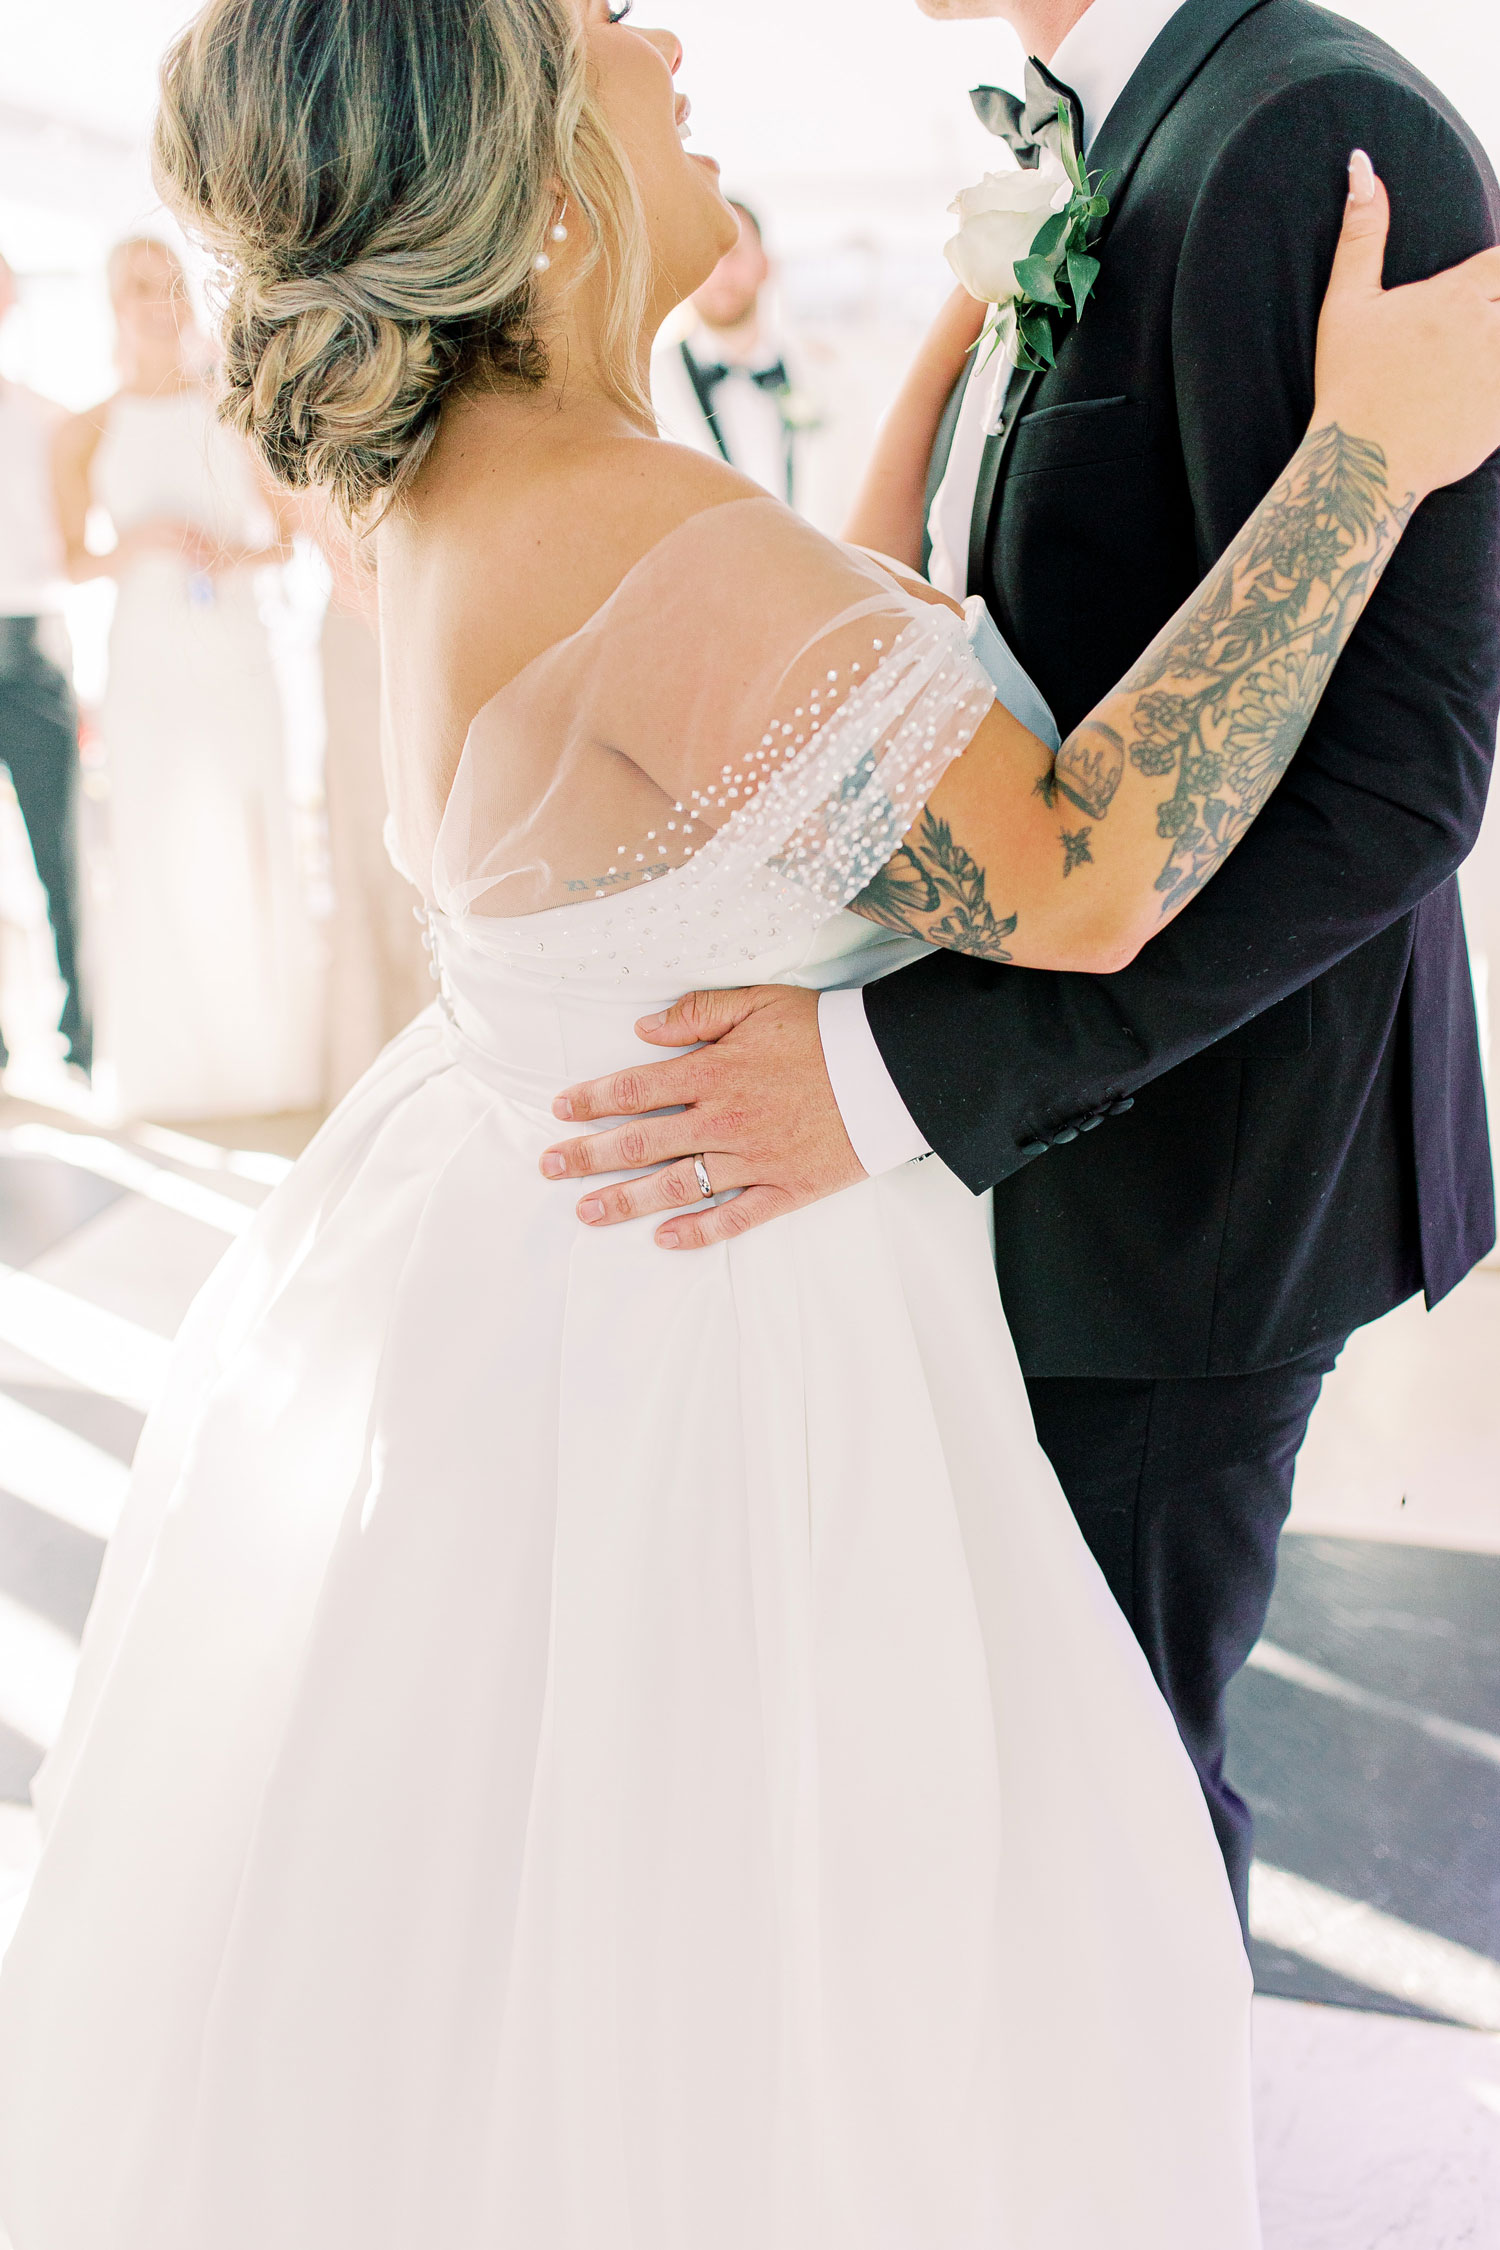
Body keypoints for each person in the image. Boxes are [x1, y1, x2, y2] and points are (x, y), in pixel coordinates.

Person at [2, 3, 1499, 2244]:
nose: (662, 35)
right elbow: (1085, 865)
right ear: (530, 157)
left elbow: (839, 630)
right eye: (595, 24)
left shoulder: (472, 486)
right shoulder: (657, 555)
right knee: (862, 1960)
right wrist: (1363, 458)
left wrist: (953, 352)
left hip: (545, 1293)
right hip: (744, 1351)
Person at [546, 0, 1500, 1938]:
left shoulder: (1309, 127)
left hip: (1187, 1182)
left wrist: (898, 1080)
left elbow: (1393, 783)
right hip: (1045, 1164)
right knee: (1007, 1790)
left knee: (1107, 1820)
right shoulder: (1131, 132)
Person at [54, 236, 321, 1122]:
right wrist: (135, 545)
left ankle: (262, 1053)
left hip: (229, 641)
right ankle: (172, 1063)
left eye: (165, 282)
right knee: (155, 837)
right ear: (110, 299)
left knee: (245, 831)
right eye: (133, 284)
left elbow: (286, 533)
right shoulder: (87, 426)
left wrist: (232, 554)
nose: (152, 299)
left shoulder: (231, 409)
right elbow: (70, 557)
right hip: (144, 653)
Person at [286, 491, 431, 1103]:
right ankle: (385, 1033)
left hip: (435, 601)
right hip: (361, 617)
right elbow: (302, 507)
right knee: (373, 824)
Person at [0, 249, 90, 1081]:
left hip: (30, 644)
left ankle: (83, 1035)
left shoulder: (50, 419)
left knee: (58, 850)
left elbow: (72, 550)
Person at [652, 199, 820, 510]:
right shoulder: (646, 381)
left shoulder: (824, 373)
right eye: (706, 255)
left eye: (735, 253)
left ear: (765, 266)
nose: (721, 270)